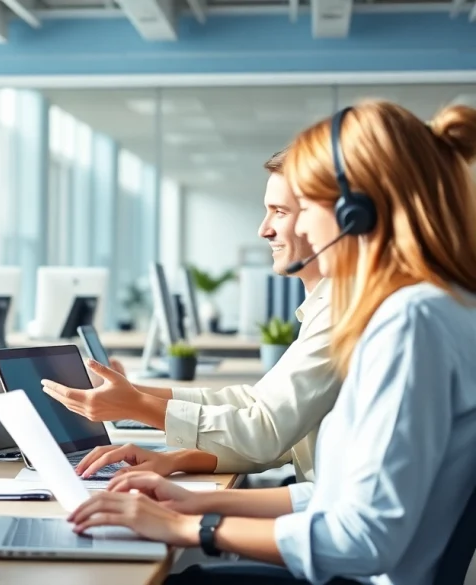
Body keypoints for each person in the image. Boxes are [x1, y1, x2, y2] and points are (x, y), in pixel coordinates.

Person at [67, 101, 476, 585]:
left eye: (304, 210)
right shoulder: (437, 307)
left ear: (355, 212)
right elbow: (340, 497)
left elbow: (365, 538)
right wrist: (202, 501)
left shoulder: (410, 321)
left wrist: (191, 527)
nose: (296, 228)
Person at [43, 148, 340, 483]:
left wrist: (137, 405)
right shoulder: (325, 307)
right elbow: (264, 410)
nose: (263, 229)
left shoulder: (340, 313)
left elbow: (266, 432)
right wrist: (165, 444)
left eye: (280, 212)